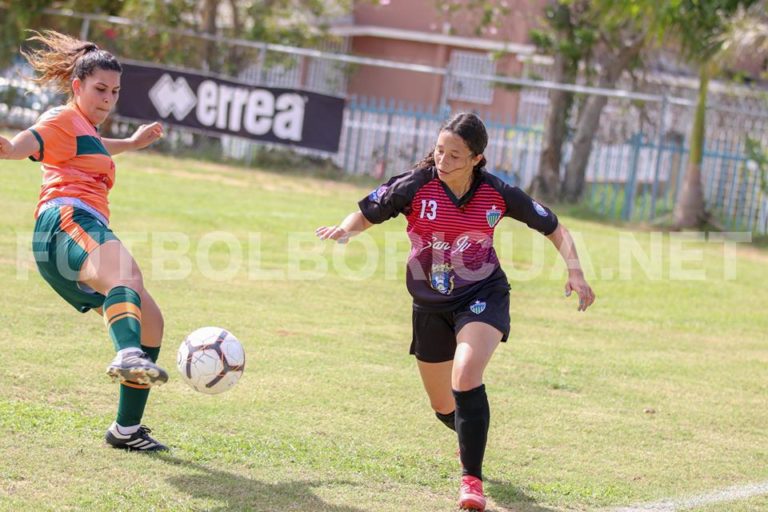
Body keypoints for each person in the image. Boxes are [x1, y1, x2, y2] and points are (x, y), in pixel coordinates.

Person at [316, 112, 595, 511]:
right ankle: (469, 436)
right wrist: (345, 229)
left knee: (465, 377)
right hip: (429, 304)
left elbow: (553, 226)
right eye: (439, 151)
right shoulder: (416, 185)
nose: (444, 162)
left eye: (455, 156)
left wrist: (576, 271)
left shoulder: (497, 194)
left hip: (482, 293)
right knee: (444, 405)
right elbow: (367, 211)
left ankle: (471, 481)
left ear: (477, 158)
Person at [0, 31, 169, 451]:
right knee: (126, 275)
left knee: (151, 320)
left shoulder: (83, 130)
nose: (108, 98)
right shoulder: (61, 119)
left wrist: (131, 143)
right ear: (77, 87)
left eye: (114, 91)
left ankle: (126, 430)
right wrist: (6, 147)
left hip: (66, 239)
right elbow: (25, 143)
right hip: (66, 221)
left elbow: (93, 145)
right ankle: (127, 355)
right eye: (99, 89)